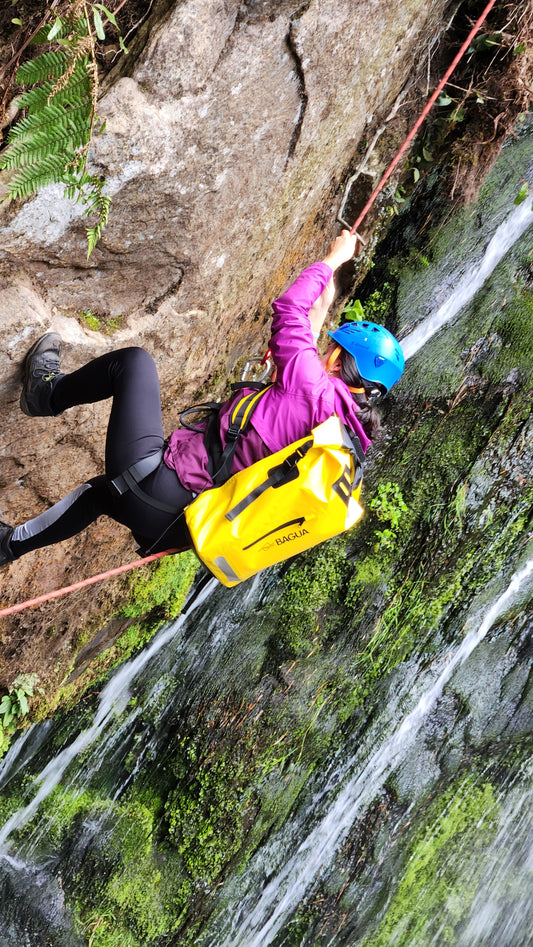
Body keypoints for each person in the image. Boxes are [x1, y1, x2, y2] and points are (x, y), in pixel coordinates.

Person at [0, 230, 404, 568]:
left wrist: (333, 261)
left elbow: (290, 309)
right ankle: (8, 545)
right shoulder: (343, 443)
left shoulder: (310, 386)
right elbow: (300, 386)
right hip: (181, 525)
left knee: (133, 364)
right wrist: (322, 310)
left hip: (161, 483)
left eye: (331, 346)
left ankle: (45, 394)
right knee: (100, 496)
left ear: (337, 358)